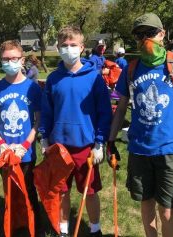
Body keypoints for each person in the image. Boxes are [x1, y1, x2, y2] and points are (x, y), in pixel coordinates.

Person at [107, 13, 173, 237]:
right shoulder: (131, 69)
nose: (145, 39)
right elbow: (122, 107)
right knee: (146, 204)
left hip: (169, 149)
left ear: (162, 34)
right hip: (139, 149)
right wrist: (111, 140)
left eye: (150, 33)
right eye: (139, 35)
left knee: (168, 210)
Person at [40, 26, 112, 237]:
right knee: (62, 190)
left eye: (73, 45)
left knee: (89, 191)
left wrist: (99, 143)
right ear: (58, 48)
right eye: (64, 45)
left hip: (86, 146)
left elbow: (104, 112)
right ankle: (63, 228)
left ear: (82, 48)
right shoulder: (54, 78)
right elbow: (47, 111)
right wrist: (44, 138)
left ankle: (95, 228)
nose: (68, 49)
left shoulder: (94, 77)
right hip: (59, 146)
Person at [0, 40, 44, 237]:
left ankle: (35, 228)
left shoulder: (33, 89)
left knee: (28, 190)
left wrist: (26, 145)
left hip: (25, 152)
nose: (10, 62)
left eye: (14, 58)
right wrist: (1, 144)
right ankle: (14, 225)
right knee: (9, 191)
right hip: (4, 153)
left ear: (22, 59)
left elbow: (38, 121)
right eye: (5, 59)